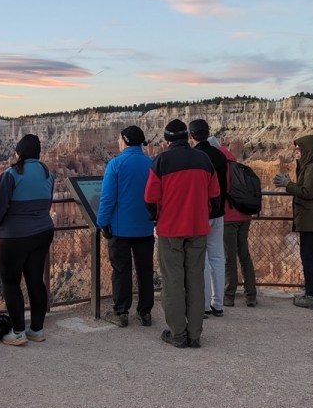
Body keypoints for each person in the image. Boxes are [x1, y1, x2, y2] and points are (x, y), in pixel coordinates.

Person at [144, 119, 219, 349]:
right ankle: (195, 335)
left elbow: (149, 199)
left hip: (170, 230)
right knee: (195, 279)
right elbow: (215, 198)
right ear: (187, 137)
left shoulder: (162, 161)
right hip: (198, 229)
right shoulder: (204, 159)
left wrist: (159, 216)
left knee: (173, 281)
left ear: (167, 140)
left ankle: (177, 333)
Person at [0, 134, 55, 345]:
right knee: (35, 280)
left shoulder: (10, 175)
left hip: (15, 236)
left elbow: (0, 208)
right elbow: (46, 205)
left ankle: (17, 332)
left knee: (11, 283)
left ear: (19, 152)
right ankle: (36, 330)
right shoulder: (48, 174)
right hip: (43, 232)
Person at [96, 126, 155, 327]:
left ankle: (121, 312)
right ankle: (145, 312)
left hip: (120, 229)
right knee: (145, 270)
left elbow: (107, 198)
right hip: (146, 227)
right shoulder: (151, 163)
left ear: (125, 140)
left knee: (121, 270)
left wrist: (102, 222)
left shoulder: (116, 164)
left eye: (119, 139)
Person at [273, 136, 313, 311]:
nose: (296, 152)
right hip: (310, 218)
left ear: (307, 150)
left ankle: (312, 296)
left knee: (309, 257)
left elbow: (307, 192)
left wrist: (287, 184)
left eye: (299, 149)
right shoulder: (309, 167)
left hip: (311, 219)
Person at [189, 120, 228, 317]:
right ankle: (218, 304)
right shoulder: (220, 156)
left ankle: (203, 305)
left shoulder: (196, 157)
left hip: (202, 213)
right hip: (219, 212)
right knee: (217, 257)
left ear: (191, 136)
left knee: (201, 259)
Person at [216, 138, 258, 308]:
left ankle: (229, 295)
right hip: (245, 216)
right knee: (244, 255)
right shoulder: (239, 168)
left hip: (229, 218)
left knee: (229, 257)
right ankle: (251, 295)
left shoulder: (221, 169)